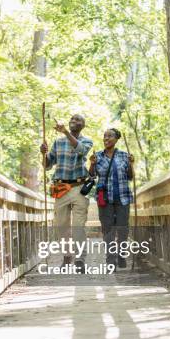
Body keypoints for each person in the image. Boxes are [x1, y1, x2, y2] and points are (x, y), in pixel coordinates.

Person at [40, 114, 93, 271]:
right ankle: (67, 256)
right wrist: (43, 153)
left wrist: (65, 132)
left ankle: (80, 259)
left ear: (83, 125)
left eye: (78, 120)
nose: (73, 121)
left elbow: (81, 150)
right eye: (72, 119)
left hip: (78, 188)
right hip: (61, 188)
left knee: (78, 226)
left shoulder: (86, 141)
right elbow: (47, 165)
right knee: (61, 226)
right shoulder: (59, 142)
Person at [89, 128, 134, 271]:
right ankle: (110, 259)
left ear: (116, 139)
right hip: (105, 199)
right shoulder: (98, 156)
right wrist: (92, 164)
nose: (106, 138)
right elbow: (91, 176)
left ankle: (121, 255)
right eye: (104, 136)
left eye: (110, 136)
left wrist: (131, 163)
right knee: (108, 229)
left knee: (122, 229)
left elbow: (130, 176)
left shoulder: (124, 156)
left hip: (123, 198)